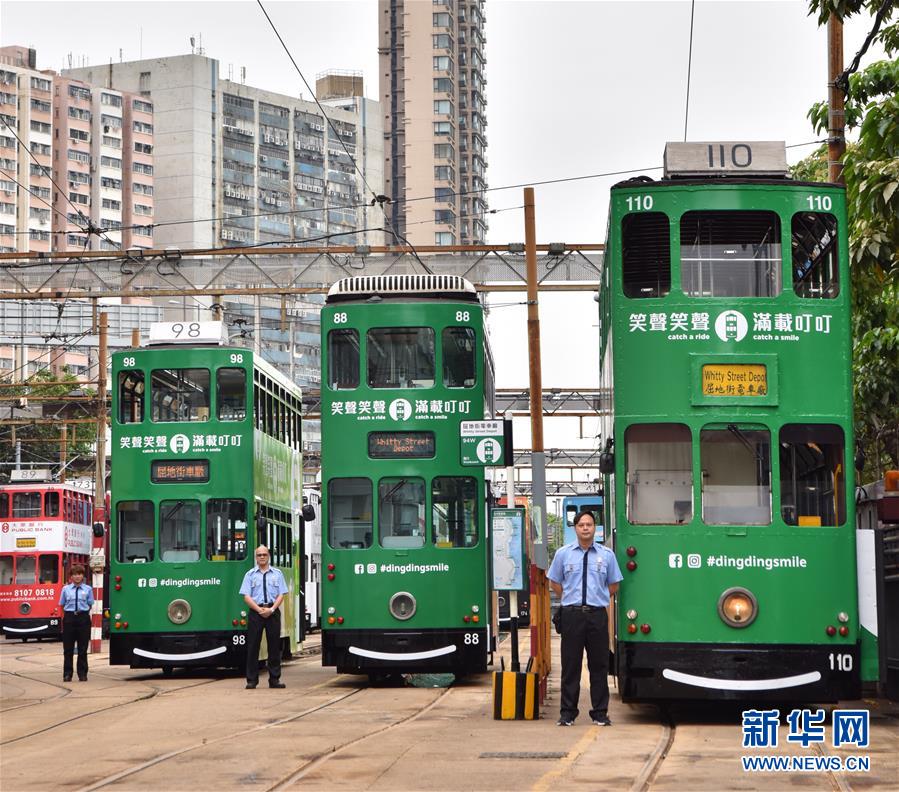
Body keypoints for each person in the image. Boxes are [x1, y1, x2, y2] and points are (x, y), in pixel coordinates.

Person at [547, 509, 623, 726]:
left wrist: (596, 597)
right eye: (581, 525)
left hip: (597, 616)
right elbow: (555, 582)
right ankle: (567, 714)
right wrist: (571, 599)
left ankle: (600, 713)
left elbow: (614, 584)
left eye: (589, 524)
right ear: (575, 528)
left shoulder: (607, 555)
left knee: (598, 666)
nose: (586, 528)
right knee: (570, 666)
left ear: (595, 528)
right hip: (572, 616)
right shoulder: (563, 553)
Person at [239, 545, 288, 689]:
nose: (262, 557)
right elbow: (246, 597)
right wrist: (259, 610)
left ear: (269, 556)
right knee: (253, 646)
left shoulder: (277, 574)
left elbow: (281, 594)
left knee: (274, 646)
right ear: (256, 557)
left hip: (272, 612)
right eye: (259, 555)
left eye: (264, 554)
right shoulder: (250, 575)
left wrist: (272, 609)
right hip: (256, 612)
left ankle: (274, 679)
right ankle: (251, 680)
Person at [59, 563, 94, 682]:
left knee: (82, 649)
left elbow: (90, 604)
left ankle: (82, 673)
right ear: (71, 577)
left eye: (79, 574)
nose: (77, 577)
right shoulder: (65, 589)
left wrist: (82, 613)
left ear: (82, 576)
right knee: (68, 649)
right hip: (69, 618)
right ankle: (67, 674)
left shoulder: (88, 589)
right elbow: (62, 604)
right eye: (75, 574)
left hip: (83, 618)